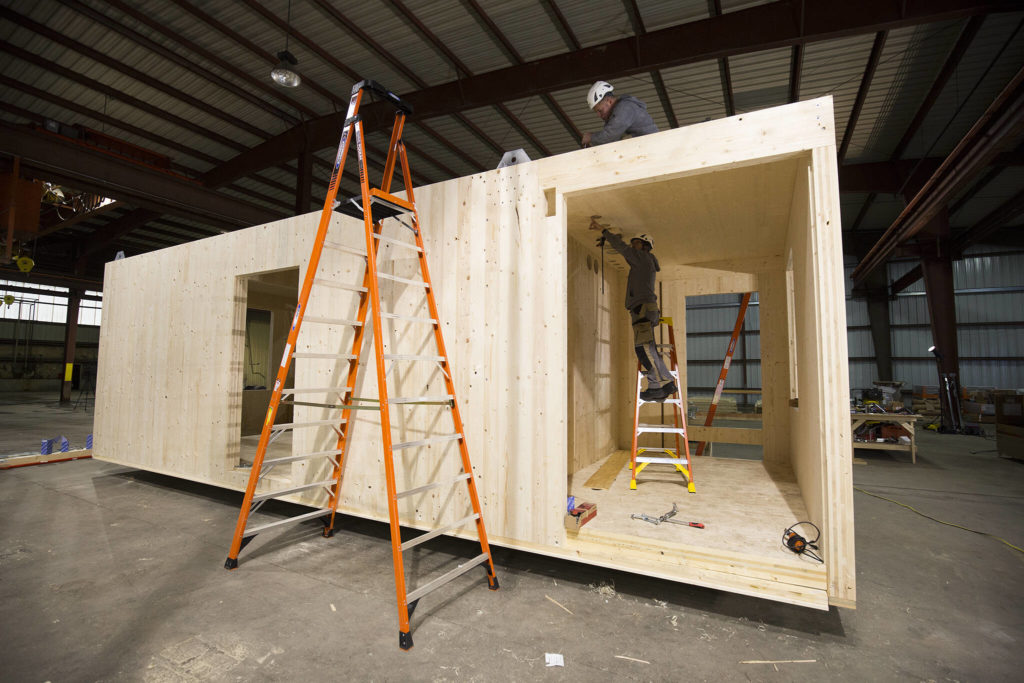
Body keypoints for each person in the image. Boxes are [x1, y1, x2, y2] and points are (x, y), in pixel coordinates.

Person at [589, 219, 677, 402]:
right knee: (644, 349)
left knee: (644, 349)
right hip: (643, 309)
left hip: (642, 309)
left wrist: (603, 230)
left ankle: (664, 384)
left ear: (645, 246)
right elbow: (625, 249)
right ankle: (659, 387)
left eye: (636, 242)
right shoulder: (644, 262)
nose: (632, 245)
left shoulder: (643, 258)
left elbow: (622, 247)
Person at [581, 80, 659, 147]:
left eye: (600, 110)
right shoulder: (616, 115)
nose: (598, 115)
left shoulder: (625, 108)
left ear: (609, 101)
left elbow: (610, 135)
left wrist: (591, 137)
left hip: (653, 145)